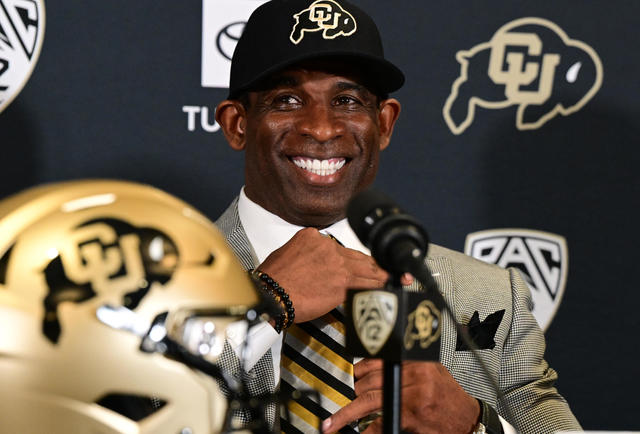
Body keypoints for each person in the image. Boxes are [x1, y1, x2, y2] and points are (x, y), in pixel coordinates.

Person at [214, 0, 581, 433]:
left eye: (347, 100)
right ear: (237, 124)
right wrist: (262, 305)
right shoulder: (144, 282)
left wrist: (475, 425)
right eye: (288, 99)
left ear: (384, 124)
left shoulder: (486, 295)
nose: (322, 127)